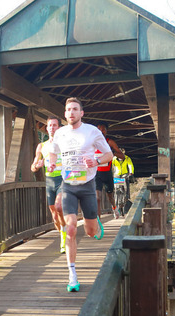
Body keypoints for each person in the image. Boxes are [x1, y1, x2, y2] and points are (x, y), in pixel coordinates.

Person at [49, 98, 113, 292]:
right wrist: (53, 163)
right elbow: (53, 152)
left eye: (75, 109)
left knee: (90, 232)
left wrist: (96, 161)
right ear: (65, 113)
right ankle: (72, 275)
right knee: (70, 229)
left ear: (81, 113)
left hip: (87, 186)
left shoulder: (92, 131)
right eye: (68, 109)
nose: (71, 112)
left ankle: (94, 224)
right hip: (68, 186)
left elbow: (109, 155)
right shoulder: (60, 133)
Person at [31, 117, 67, 253]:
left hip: (62, 179)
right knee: (54, 215)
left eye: (54, 125)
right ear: (46, 128)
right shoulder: (42, 146)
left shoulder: (64, 144)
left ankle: (64, 237)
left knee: (59, 206)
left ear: (59, 128)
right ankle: (62, 231)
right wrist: (37, 165)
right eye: (50, 125)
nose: (52, 128)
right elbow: (33, 167)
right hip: (50, 181)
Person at [95, 123, 125, 219]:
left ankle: (114, 208)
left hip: (107, 173)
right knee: (97, 198)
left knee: (110, 196)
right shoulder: (92, 142)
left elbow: (122, 156)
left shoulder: (110, 142)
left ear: (106, 131)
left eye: (103, 129)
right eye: (99, 129)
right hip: (96, 173)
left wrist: (112, 153)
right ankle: (98, 221)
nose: (101, 131)